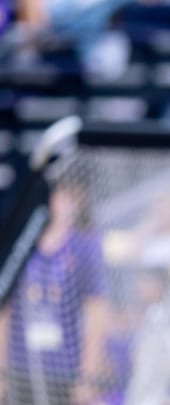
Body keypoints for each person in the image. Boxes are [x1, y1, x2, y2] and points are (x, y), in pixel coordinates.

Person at [0, 174, 110, 405]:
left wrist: (88, 374)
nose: (64, 202)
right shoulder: (20, 240)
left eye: (71, 194)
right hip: (20, 365)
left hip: (66, 368)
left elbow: (96, 312)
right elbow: (5, 309)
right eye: (59, 193)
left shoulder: (85, 246)